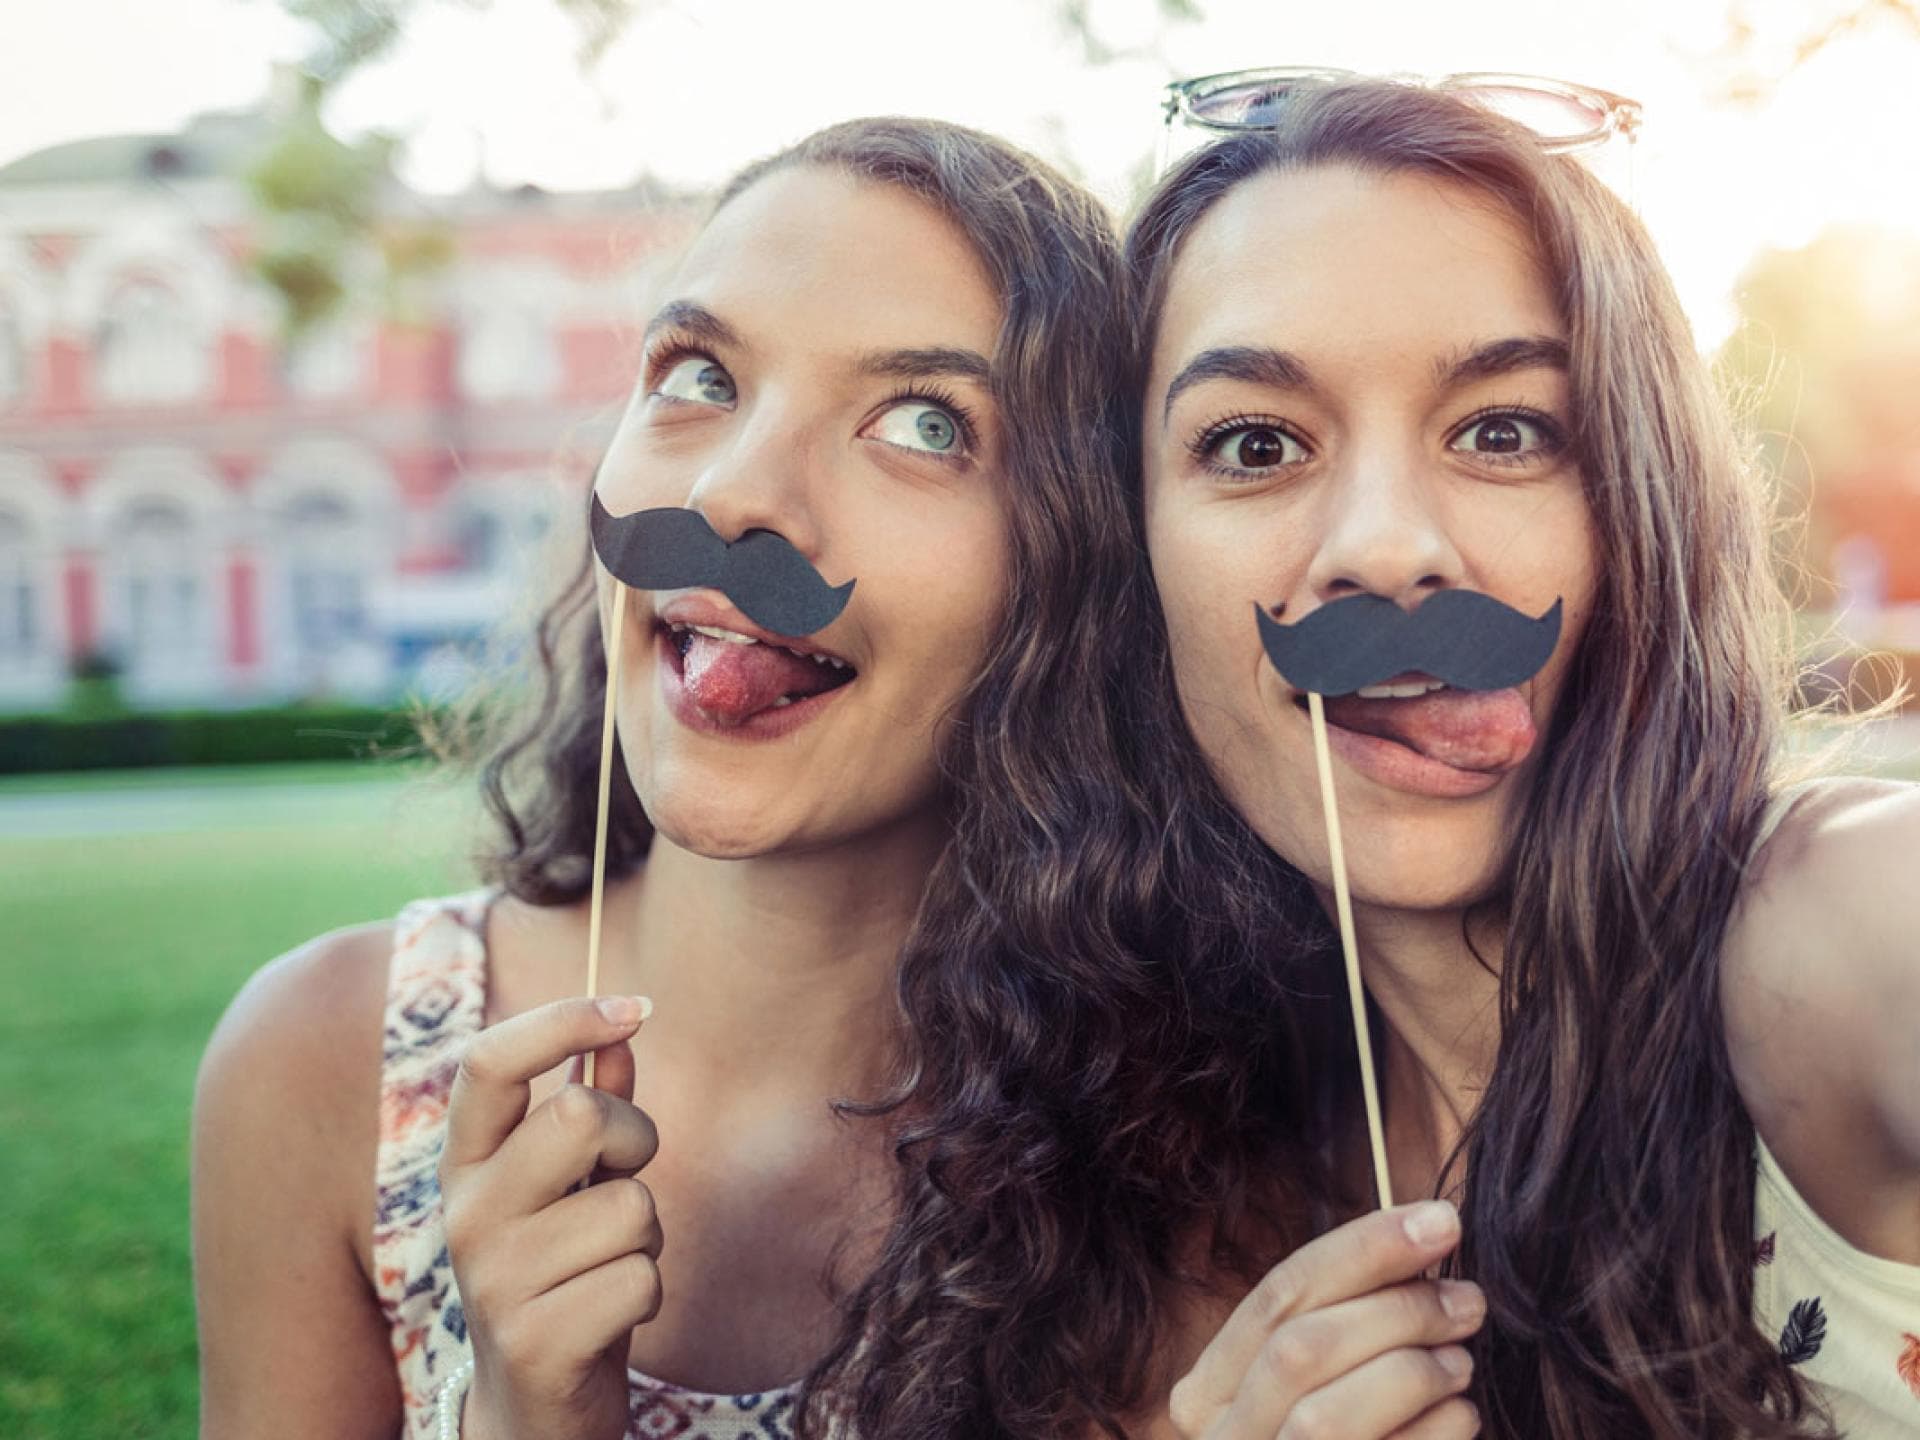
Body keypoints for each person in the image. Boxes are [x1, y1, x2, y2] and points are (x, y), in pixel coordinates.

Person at [194, 116, 1287, 1440]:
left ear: (1079, 570)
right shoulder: (324, 1064)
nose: (730, 495)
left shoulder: (1203, 1171)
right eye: (701, 376)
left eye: (924, 422)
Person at [1124, 79, 1920, 1438]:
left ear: (1644, 500)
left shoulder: (1839, 918)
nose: (1387, 548)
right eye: (1257, 444)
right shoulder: (1161, 1186)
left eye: (1505, 432)